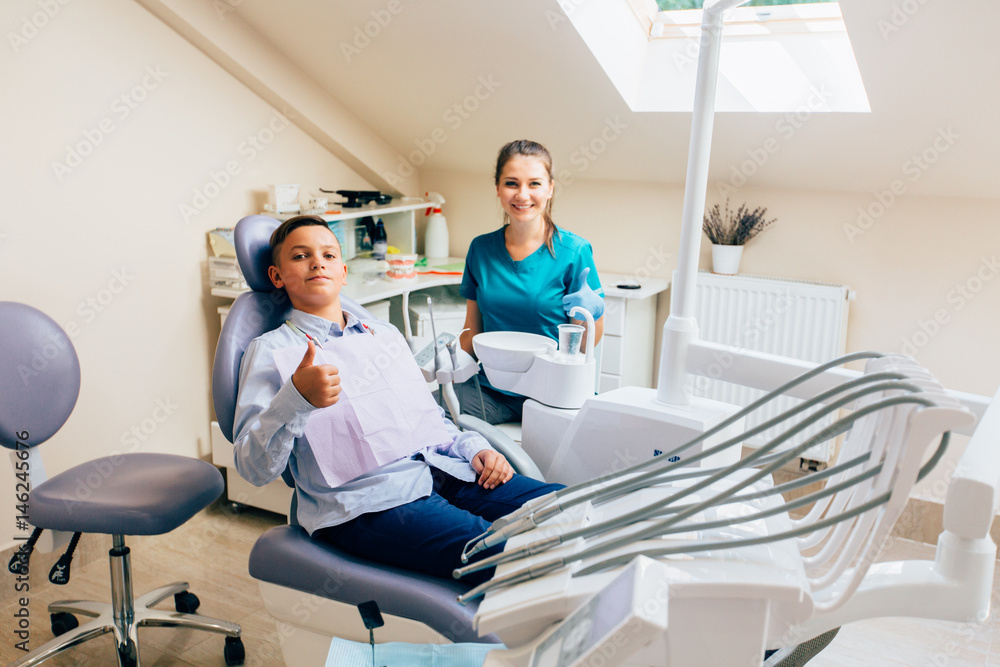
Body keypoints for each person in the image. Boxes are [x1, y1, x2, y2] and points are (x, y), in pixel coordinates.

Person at [233, 215, 562, 586]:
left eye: (328, 255)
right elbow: (253, 469)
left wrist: (474, 448)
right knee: (518, 553)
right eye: (300, 256)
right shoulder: (272, 351)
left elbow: (429, 416)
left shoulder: (382, 335)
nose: (317, 263)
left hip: (442, 470)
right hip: (369, 503)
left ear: (343, 271)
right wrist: (296, 398)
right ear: (276, 276)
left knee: (573, 510)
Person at [457, 139, 606, 424]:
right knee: (429, 416)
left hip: (553, 391)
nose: (522, 195)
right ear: (498, 188)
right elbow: (471, 333)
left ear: (550, 188)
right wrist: (442, 366)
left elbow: (583, 348)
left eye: (534, 183)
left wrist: (593, 315)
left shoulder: (573, 252)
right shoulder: (481, 249)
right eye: (511, 183)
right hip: (491, 390)